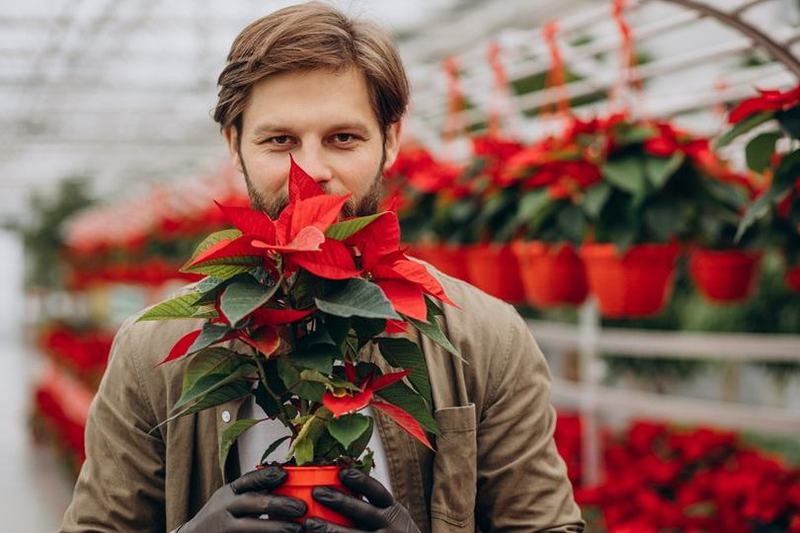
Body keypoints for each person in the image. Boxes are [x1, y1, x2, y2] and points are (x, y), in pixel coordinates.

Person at [61, 3, 585, 532]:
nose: (311, 171)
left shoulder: (485, 339)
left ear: (391, 141)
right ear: (235, 148)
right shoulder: (149, 352)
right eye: (279, 140)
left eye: (343, 138)